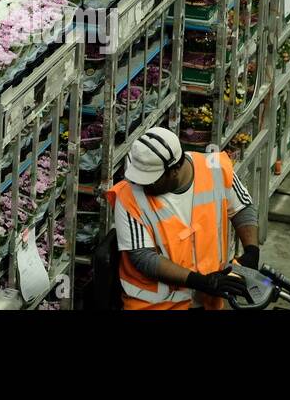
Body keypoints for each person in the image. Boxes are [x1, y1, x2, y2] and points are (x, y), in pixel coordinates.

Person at [106, 127, 260, 310]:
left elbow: (242, 207)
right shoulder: (128, 195)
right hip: (154, 306)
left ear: (175, 170)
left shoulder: (215, 168)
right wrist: (201, 281)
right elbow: (143, 258)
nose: (143, 185)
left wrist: (252, 251)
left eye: (151, 179)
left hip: (207, 301)